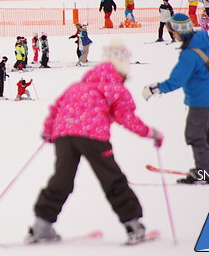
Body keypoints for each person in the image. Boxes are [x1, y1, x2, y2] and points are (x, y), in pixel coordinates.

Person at [27, 40, 163, 245]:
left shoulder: (77, 86)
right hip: (94, 138)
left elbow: (56, 109)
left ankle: (41, 226)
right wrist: (150, 133)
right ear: (121, 71)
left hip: (64, 137)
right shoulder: (116, 89)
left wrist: (48, 131)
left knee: (62, 179)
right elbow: (127, 118)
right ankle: (134, 225)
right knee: (112, 178)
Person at [143, 14, 209, 184]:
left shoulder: (189, 55)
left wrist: (154, 89)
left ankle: (206, 172)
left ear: (181, 32)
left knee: (195, 135)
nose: (173, 35)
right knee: (206, 131)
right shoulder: (203, 39)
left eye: (173, 32)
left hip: (200, 101)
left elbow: (177, 80)